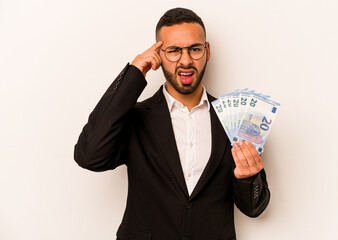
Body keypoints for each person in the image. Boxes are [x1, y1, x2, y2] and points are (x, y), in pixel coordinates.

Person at [74, 7, 270, 240]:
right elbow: (89, 156)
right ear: (159, 54)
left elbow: (254, 208)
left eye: (195, 49)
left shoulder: (234, 119)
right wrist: (134, 73)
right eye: (174, 51)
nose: (185, 61)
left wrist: (248, 178)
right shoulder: (136, 118)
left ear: (207, 51)